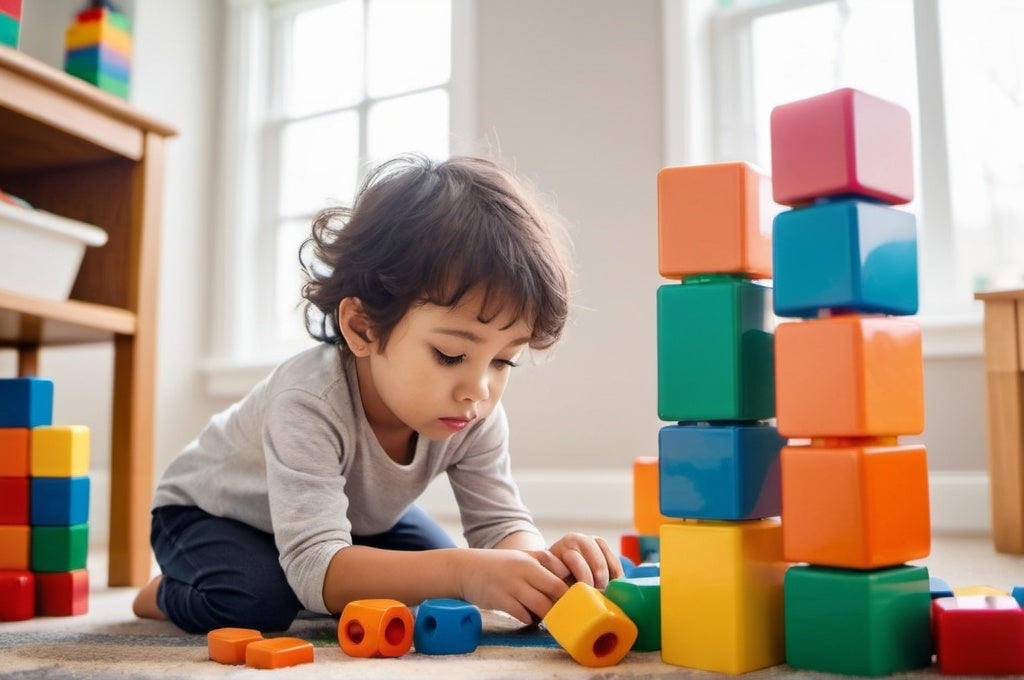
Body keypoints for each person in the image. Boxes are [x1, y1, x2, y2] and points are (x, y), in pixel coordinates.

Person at [132, 153, 622, 634]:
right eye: (451, 355)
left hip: (347, 521)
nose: (478, 389)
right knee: (259, 602)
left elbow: (499, 526)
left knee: (435, 585)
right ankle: (169, 591)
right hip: (210, 516)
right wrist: (463, 571)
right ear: (362, 328)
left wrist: (543, 567)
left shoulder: (474, 411)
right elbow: (316, 565)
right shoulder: (308, 400)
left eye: (503, 360)